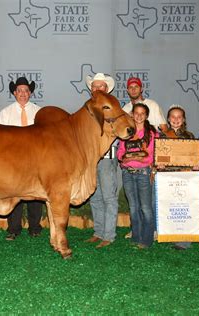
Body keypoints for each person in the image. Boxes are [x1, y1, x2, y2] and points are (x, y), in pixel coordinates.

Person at [0, 77, 43, 240]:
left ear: (30, 93)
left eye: (26, 90)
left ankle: (35, 227)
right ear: (14, 93)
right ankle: (13, 228)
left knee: (36, 194)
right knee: (14, 194)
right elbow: (1, 140)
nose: (23, 93)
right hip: (14, 160)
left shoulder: (39, 112)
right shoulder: (5, 112)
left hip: (34, 159)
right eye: (20, 91)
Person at [123, 77, 166, 239]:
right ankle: (137, 230)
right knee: (135, 204)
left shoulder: (153, 105)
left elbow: (163, 129)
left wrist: (154, 160)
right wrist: (125, 159)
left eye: (136, 87)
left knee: (149, 201)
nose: (133, 90)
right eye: (130, 87)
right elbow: (122, 142)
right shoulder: (126, 108)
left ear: (141, 89)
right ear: (127, 90)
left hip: (150, 160)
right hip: (131, 167)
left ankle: (152, 231)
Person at [84, 73, 119, 248]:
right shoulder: (87, 108)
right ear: (91, 90)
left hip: (106, 156)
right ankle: (98, 232)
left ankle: (109, 235)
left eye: (101, 86)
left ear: (107, 89)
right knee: (95, 197)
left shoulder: (112, 107)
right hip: (90, 158)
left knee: (108, 196)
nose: (97, 89)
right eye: (94, 86)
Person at [117, 103, 157, 249]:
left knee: (145, 207)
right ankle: (136, 236)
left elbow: (153, 155)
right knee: (133, 207)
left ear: (146, 116)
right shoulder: (127, 131)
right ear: (132, 114)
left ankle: (146, 240)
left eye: (142, 113)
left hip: (144, 172)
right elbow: (120, 151)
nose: (139, 116)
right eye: (136, 113)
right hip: (128, 173)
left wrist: (140, 160)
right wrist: (123, 159)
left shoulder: (151, 133)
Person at [157, 105, 197, 250]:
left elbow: (194, 157)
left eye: (179, 117)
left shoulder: (190, 136)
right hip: (167, 177)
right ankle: (171, 236)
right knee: (169, 208)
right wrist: (159, 165)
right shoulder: (161, 137)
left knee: (184, 208)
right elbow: (160, 157)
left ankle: (184, 241)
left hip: (185, 177)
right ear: (168, 119)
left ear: (183, 119)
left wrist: (195, 164)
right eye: (173, 117)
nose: (176, 119)